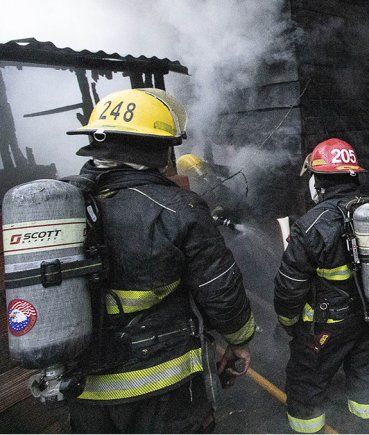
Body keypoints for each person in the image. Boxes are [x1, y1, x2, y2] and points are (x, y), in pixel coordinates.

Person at [63, 88, 256, 432]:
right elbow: (220, 289)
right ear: (156, 148)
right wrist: (239, 341)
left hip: (83, 391)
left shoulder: (64, 207)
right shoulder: (178, 207)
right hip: (161, 387)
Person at [274, 138, 369, 433]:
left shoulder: (310, 226)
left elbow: (289, 287)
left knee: (306, 382)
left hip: (328, 325)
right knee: (363, 373)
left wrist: (288, 322)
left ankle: (308, 428)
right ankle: (366, 428)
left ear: (319, 181)